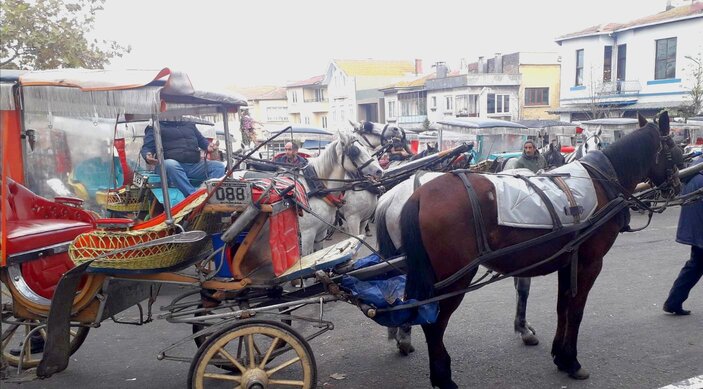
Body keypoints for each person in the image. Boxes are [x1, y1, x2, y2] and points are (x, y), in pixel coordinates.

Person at [141, 121, 225, 197]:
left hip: (193, 165)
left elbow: (201, 140)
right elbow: (147, 147)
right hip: (167, 166)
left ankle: (206, 194)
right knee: (171, 164)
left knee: (219, 166)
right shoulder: (156, 126)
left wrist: (208, 145)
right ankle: (193, 196)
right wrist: (148, 155)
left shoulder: (189, 124)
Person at [662, 156, 703, 315]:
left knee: (696, 264)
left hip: (695, 219)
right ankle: (673, 302)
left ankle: (674, 302)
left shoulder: (697, 164)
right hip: (699, 218)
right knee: (696, 263)